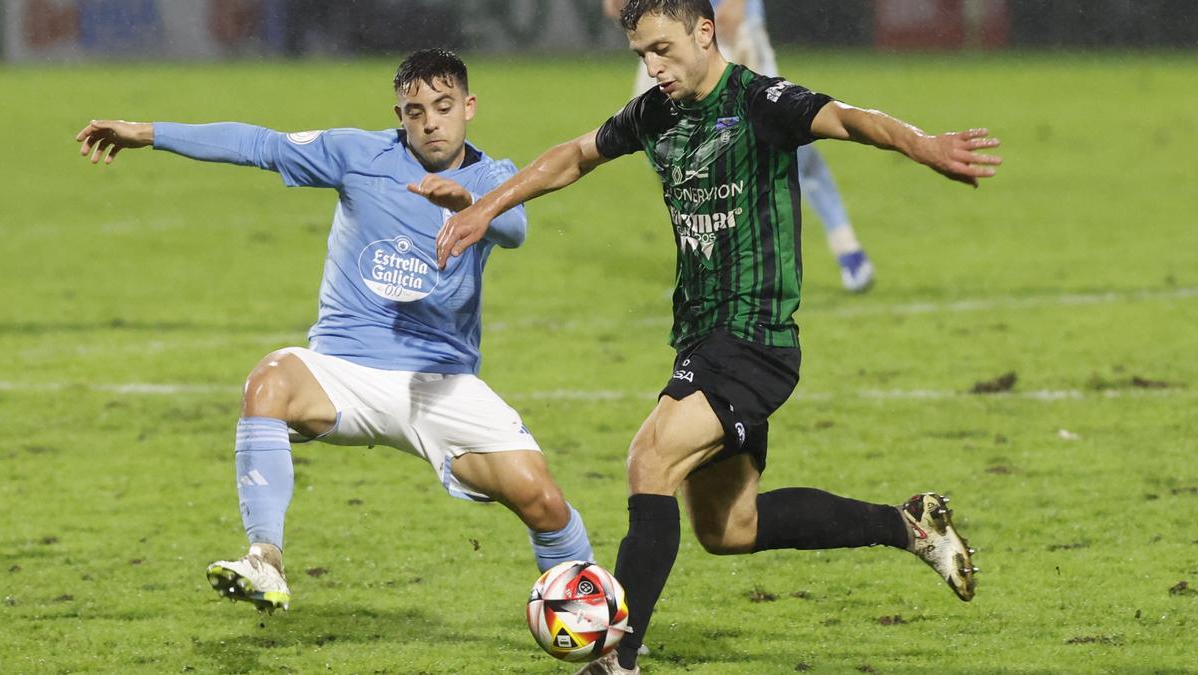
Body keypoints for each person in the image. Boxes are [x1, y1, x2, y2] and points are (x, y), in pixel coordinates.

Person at [436, 1, 1000, 672]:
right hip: (702, 337)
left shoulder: (761, 101)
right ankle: (909, 526)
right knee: (729, 528)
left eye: (664, 50)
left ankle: (616, 655)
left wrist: (926, 145)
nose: (653, 67)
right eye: (643, 54)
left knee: (649, 460)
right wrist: (488, 206)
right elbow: (573, 157)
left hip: (754, 335)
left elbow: (851, 119)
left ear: (705, 33)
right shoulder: (657, 113)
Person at [74, 49, 593, 614]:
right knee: (269, 380)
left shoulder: (493, 177)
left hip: (441, 385)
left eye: (444, 108)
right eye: (415, 111)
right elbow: (258, 145)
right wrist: (148, 133)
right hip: (346, 371)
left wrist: (473, 203)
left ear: (468, 107)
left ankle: (601, 637)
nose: (431, 123)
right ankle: (264, 559)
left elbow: (515, 229)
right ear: (399, 115)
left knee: (543, 502)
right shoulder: (358, 154)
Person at [604, 0, 876, 292]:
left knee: (791, 134)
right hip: (669, 33)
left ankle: (847, 248)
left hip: (731, 27)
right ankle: (717, 255)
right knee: (665, 148)